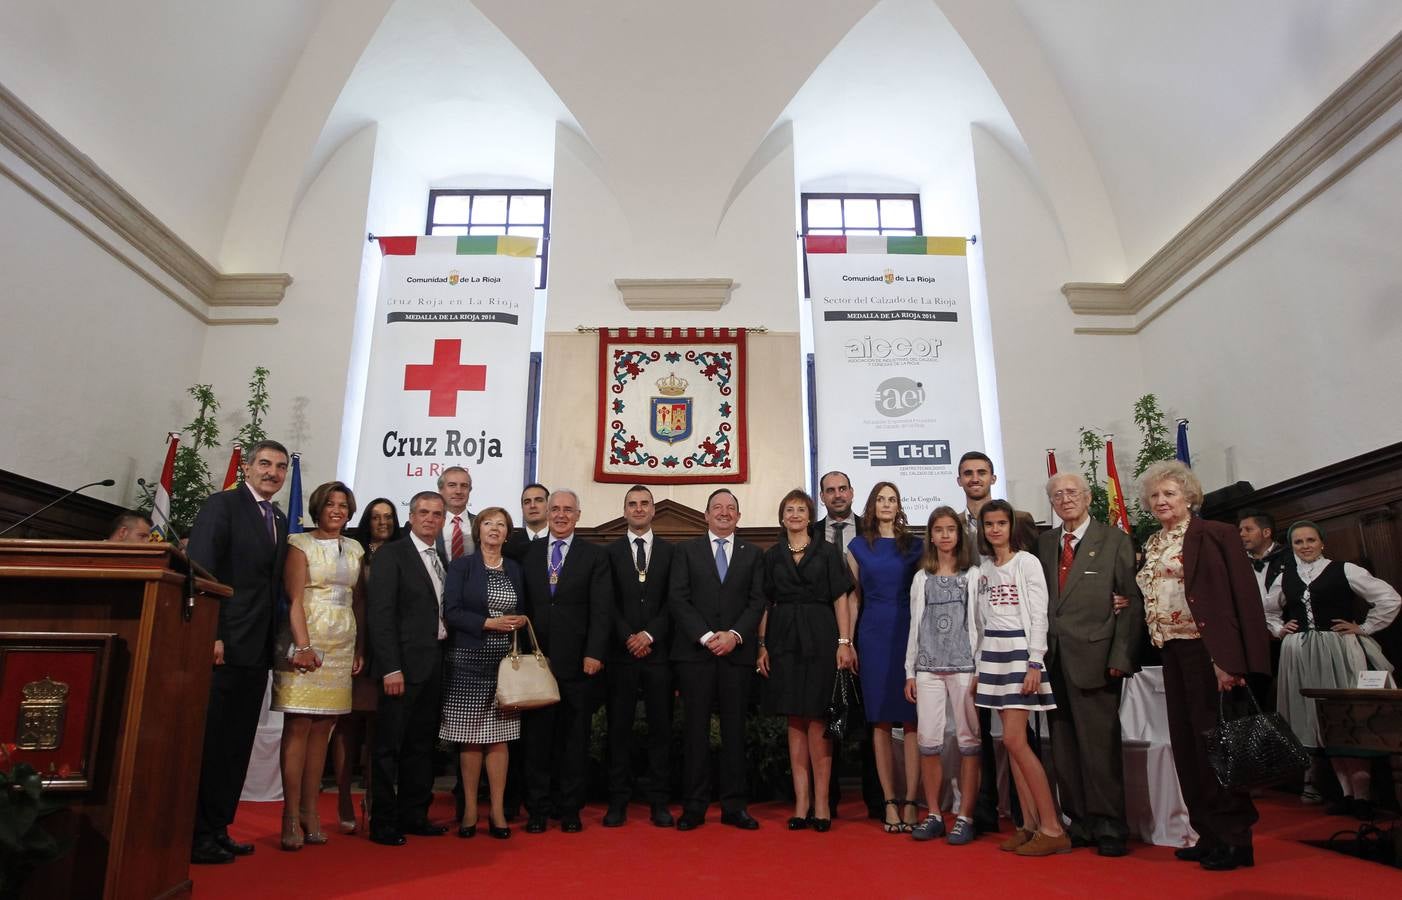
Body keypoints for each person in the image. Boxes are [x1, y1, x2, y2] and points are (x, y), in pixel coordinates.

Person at [1135, 460, 1270, 871]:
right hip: (1171, 653)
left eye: (1170, 493)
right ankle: (1207, 834)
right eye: (1155, 495)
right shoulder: (1152, 543)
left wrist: (1230, 661)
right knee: (1188, 747)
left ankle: (1235, 839)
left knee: (1219, 746)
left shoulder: (1216, 534)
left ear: (1189, 496)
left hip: (1209, 653)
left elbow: (1244, 598)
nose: (1161, 500)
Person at [186, 440, 290, 865]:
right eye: (264, 463)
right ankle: (194, 833)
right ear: (246, 467)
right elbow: (201, 573)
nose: (273, 472)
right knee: (211, 744)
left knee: (236, 744)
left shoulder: (280, 519)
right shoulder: (222, 506)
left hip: (257, 649)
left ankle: (218, 827)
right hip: (222, 645)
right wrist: (209, 635)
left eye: (280, 466)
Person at [1036, 473, 1141, 857]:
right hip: (1052, 660)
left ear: (1087, 497)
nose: (1065, 499)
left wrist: (1121, 656)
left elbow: (1130, 602)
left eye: (1072, 492)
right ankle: (1078, 822)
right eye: (1057, 494)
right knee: (1062, 747)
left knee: (1100, 749)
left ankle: (1110, 825)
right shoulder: (1045, 543)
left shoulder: (1114, 540)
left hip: (1097, 659)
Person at [1267, 520, 1399, 819]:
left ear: (1322, 542)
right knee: (1323, 723)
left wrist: (1364, 627)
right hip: (1302, 653)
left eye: (1310, 540)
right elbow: (1267, 610)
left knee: (1348, 719)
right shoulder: (1285, 577)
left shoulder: (1345, 569)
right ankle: (1346, 794)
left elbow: (1389, 598)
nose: (1305, 546)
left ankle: (1363, 797)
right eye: (1298, 542)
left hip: (1339, 649)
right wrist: (1279, 629)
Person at [271, 481, 365, 850]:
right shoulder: (300, 543)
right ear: (318, 508)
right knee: (299, 726)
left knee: (324, 729)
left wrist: (361, 647)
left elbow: (359, 601)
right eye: (330, 504)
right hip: (306, 636)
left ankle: (312, 812)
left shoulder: (356, 548)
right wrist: (303, 645)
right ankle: (290, 815)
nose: (337, 510)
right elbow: (294, 599)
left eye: (343, 504)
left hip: (342, 642)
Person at [973, 499, 1068, 857]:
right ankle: (1028, 825)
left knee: (1015, 740)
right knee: (1008, 744)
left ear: (1012, 526)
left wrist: (1034, 661)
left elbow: (1039, 613)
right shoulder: (984, 568)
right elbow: (982, 621)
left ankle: (1053, 827)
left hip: (1020, 654)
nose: (995, 529)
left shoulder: (1027, 563)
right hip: (993, 656)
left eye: (1001, 523)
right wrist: (979, 662)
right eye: (989, 524)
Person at [757, 489, 854, 832]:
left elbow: (841, 597)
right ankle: (801, 803)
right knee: (795, 722)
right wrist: (762, 645)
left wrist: (845, 641)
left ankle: (823, 803)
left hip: (821, 636)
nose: (795, 514)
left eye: (801, 509)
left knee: (818, 721)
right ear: (782, 517)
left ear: (810, 516)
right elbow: (765, 604)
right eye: (789, 509)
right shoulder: (771, 556)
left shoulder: (827, 553)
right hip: (783, 640)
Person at [669, 488, 767, 831]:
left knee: (735, 733)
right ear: (706, 515)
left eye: (730, 508)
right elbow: (678, 599)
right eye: (717, 508)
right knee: (695, 733)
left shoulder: (753, 554)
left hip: (736, 656)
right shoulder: (686, 551)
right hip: (696, 655)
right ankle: (694, 806)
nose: (724, 513)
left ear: (738, 517)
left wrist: (735, 636)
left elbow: (757, 602)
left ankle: (734, 806)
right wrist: (708, 636)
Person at [520, 489, 612, 833]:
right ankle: (538, 810)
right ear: (546, 512)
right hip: (537, 663)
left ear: (578, 515)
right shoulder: (527, 554)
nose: (560, 515)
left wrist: (594, 653)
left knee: (574, 741)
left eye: (567, 510)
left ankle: (570, 808)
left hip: (578, 664)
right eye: (554, 508)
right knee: (537, 741)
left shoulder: (594, 556)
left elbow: (602, 610)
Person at [367, 491, 451, 846]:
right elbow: (380, 615)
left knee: (421, 746)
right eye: (424, 513)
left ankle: (414, 813)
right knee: (389, 747)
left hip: (435, 664)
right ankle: (383, 822)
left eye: (437, 513)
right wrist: (390, 668)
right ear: (411, 517)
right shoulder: (392, 554)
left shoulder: (441, 557)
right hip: (401, 669)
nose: (431, 519)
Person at [440, 506, 527, 839]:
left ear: (507, 533)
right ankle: (470, 813)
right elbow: (452, 611)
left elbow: (520, 609)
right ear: (478, 531)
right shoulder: (462, 566)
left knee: (500, 739)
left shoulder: (515, 569)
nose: (494, 529)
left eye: (501, 524)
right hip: (467, 661)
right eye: (488, 523)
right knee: (471, 739)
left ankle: (498, 812)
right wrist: (487, 623)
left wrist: (517, 619)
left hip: (504, 665)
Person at [846, 482, 924, 833]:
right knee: (878, 720)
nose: (887, 504)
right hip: (873, 634)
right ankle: (889, 801)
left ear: (900, 504)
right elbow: (853, 599)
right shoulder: (858, 546)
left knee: (911, 720)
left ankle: (911, 800)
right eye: (881, 499)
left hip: (909, 632)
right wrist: (846, 640)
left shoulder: (916, 546)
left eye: (893, 499)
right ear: (872, 505)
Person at [903, 506, 980, 846]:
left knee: (968, 742)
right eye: (939, 529)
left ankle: (965, 816)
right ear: (930, 536)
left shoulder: (973, 575)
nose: (945, 535)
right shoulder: (922, 578)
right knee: (929, 742)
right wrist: (910, 671)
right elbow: (914, 627)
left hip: (965, 667)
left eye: (951, 529)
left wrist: (979, 667)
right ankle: (934, 813)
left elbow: (980, 623)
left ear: (959, 535)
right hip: (928, 668)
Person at [603, 485, 676, 828]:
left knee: (661, 731)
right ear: (624, 510)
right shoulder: (610, 552)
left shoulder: (671, 552)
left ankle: (659, 801)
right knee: (619, 731)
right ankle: (617, 801)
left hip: (659, 655)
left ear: (653, 510)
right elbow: (607, 604)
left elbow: (673, 603)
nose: (638, 508)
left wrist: (649, 635)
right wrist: (627, 636)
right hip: (621, 656)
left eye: (644, 503)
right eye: (632, 504)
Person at [810, 469, 881, 820]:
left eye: (842, 489)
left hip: (871, 631)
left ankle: (877, 799)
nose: (837, 495)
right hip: (823, 634)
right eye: (829, 491)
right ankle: (829, 799)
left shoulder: (872, 531)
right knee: (829, 714)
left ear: (852, 493)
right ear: (821, 497)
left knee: (871, 715)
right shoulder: (808, 534)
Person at [333, 497, 400, 834]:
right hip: (352, 645)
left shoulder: (403, 552)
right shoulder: (353, 552)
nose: (383, 522)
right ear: (367, 521)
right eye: (376, 517)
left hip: (387, 650)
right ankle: (344, 796)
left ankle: (375, 798)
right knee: (348, 726)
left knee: (380, 731)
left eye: (388, 517)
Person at [1239, 509, 1288, 601]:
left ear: (1266, 533)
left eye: (1248, 529)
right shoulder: (1238, 562)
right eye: (1240, 530)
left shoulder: (1288, 557)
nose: (1242, 534)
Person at [436, 466, 476, 563]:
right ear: (440, 490)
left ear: (470, 490)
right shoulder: (428, 523)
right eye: (452, 485)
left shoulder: (481, 522)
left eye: (464, 486)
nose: (458, 491)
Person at [504, 482, 549, 562]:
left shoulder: (559, 540)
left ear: (549, 505)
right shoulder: (508, 544)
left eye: (539, 500)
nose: (532, 506)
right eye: (527, 502)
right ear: (522, 507)